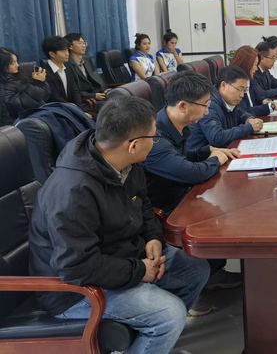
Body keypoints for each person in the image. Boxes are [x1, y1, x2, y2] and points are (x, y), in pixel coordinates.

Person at [29, 96, 211, 353]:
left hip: (122, 255)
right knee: (169, 314)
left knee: (194, 270)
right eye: (154, 137)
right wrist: (140, 270)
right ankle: (159, 334)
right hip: (74, 289)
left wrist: (153, 238)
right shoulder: (73, 191)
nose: (156, 141)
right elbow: (76, 266)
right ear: (133, 145)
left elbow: (144, 205)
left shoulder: (127, 164)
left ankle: (157, 343)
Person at [144, 72, 239, 214]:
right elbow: (192, 173)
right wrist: (216, 159)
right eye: (205, 105)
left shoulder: (174, 123)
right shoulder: (155, 139)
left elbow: (180, 158)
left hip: (184, 197)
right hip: (170, 211)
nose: (207, 112)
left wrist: (209, 150)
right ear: (183, 106)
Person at [187, 65, 264, 151]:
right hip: (202, 156)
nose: (242, 95)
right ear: (223, 85)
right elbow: (217, 137)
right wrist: (248, 128)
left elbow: (239, 112)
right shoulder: (209, 105)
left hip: (224, 151)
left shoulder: (228, 99)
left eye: (245, 90)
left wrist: (248, 119)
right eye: (239, 89)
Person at [229, 45, 277, 117]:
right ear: (246, 65)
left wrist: (267, 102)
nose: (256, 69)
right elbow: (244, 111)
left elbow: (260, 95)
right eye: (254, 65)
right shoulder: (234, 85)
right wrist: (271, 107)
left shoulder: (249, 79)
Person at [0, 47, 50, 120]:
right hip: (23, 119)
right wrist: (37, 83)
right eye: (12, 63)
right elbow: (20, 105)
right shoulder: (3, 85)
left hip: (39, 113)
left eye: (17, 61)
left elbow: (45, 96)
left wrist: (42, 82)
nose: (17, 65)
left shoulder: (20, 74)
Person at [42, 35, 83, 108]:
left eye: (67, 50)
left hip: (74, 108)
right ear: (52, 54)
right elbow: (54, 97)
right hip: (58, 109)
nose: (67, 54)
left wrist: (79, 109)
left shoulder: (69, 67)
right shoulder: (44, 72)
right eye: (63, 51)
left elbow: (75, 90)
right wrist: (73, 109)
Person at [64, 33, 107, 102]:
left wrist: (105, 91)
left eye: (84, 43)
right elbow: (72, 90)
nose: (83, 45)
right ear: (70, 46)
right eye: (79, 43)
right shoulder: (66, 64)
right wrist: (93, 96)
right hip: (85, 99)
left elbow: (97, 78)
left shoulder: (86, 59)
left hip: (96, 93)